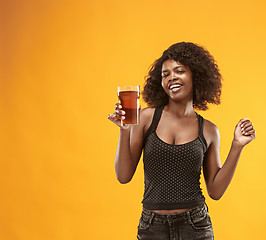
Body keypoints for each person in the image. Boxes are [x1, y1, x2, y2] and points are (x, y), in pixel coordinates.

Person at [107, 42, 256, 240]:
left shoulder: (209, 130)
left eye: (179, 71)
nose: (171, 78)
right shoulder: (147, 118)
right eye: (165, 74)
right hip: (152, 226)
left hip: (195, 226)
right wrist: (125, 131)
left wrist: (237, 146)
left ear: (195, 75)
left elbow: (215, 191)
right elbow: (123, 176)